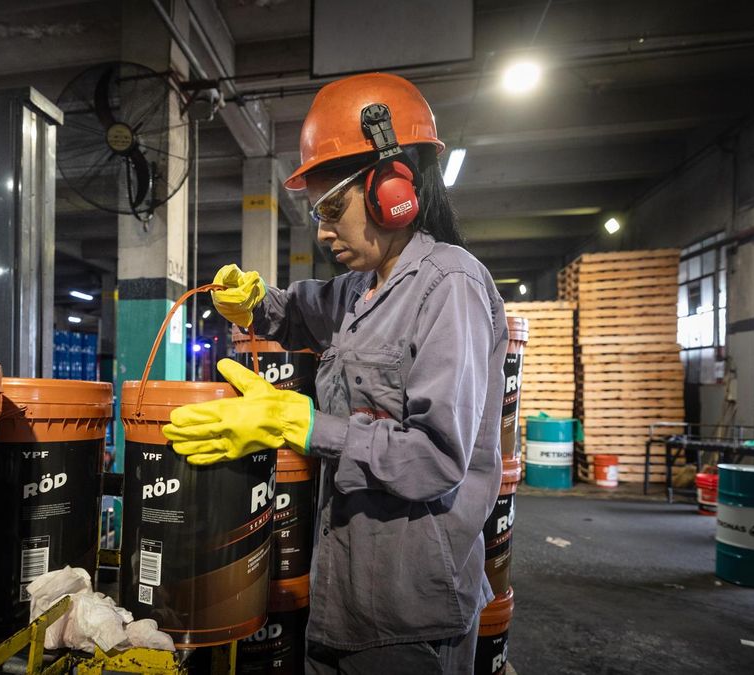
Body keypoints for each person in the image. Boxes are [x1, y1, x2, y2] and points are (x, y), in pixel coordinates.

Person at [161, 73, 506, 675]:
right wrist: (251, 303)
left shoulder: (450, 286)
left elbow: (437, 460)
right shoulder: (359, 290)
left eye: (332, 208)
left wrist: (305, 425)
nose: (322, 231)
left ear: (391, 189)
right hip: (341, 601)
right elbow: (296, 311)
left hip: (408, 619)